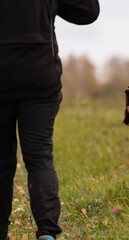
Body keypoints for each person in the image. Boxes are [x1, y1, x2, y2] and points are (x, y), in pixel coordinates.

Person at [0, 1, 100, 239]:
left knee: (1, 163)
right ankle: (47, 233)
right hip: (39, 78)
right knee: (40, 158)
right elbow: (88, 12)